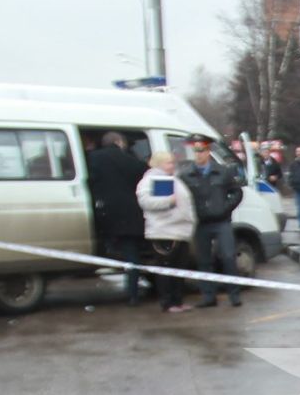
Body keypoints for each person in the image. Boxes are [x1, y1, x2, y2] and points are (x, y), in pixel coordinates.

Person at [177, 132, 244, 308]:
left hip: (221, 222)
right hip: (201, 223)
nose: (199, 154)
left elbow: (237, 192)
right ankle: (208, 296)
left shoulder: (223, 172)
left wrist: (226, 207)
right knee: (203, 260)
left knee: (228, 257)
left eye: (202, 150)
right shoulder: (186, 175)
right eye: (196, 151)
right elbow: (182, 197)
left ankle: (234, 295)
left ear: (208, 152)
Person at [87, 131, 148, 305]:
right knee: (132, 255)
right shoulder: (129, 160)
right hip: (130, 215)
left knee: (111, 248)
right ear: (120, 142)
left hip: (104, 213)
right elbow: (146, 174)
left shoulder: (93, 158)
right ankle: (133, 294)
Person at [138, 149, 195, 313]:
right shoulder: (156, 180)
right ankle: (168, 302)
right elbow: (156, 204)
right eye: (169, 162)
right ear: (159, 164)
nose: (173, 165)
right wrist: (169, 201)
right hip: (166, 232)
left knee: (179, 269)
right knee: (167, 268)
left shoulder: (172, 179)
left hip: (179, 231)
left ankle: (177, 301)